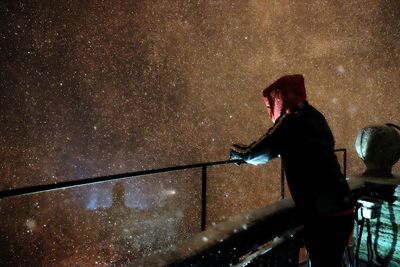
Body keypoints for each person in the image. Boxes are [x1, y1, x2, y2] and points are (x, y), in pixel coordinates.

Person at [230, 74, 354, 267]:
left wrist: (237, 153)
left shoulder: (290, 120)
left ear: (279, 98)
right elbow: (306, 147)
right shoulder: (314, 115)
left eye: (271, 103)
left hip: (322, 215)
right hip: (342, 207)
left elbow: (258, 151)